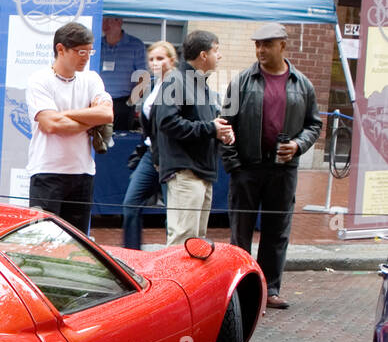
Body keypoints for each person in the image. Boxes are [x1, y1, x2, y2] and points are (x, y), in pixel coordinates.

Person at [221, 22, 321, 311]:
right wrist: (235, 167)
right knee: (241, 231)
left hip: (283, 170)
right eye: (257, 44)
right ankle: (240, 289)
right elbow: (225, 126)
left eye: (266, 44)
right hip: (247, 169)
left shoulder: (302, 84)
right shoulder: (242, 81)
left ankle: (270, 289)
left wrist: (299, 145)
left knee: (277, 231)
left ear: (282, 46)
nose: (260, 50)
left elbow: (314, 124)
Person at [25, 22, 113, 235]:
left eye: (89, 51)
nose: (86, 56)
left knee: (77, 243)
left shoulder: (91, 78)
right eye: (80, 51)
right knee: (42, 241)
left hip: (82, 172)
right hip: (47, 172)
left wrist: (64, 114)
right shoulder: (40, 80)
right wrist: (88, 119)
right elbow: (51, 124)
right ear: (60, 49)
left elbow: (106, 114)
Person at [152, 30, 235, 247]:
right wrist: (210, 128)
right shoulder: (177, 81)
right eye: (216, 51)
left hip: (200, 173)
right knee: (182, 242)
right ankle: (170, 281)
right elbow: (167, 122)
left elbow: (203, 122)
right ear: (203, 55)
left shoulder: (199, 83)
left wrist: (221, 131)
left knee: (195, 244)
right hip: (186, 173)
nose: (220, 56)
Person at [121, 40, 176, 250]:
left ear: (171, 60)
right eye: (151, 59)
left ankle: (173, 255)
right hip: (149, 152)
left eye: (160, 58)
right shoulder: (153, 84)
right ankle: (132, 253)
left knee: (173, 212)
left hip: (168, 156)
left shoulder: (176, 84)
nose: (155, 63)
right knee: (130, 203)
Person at [99, 16, 147, 131]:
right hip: (99, 101)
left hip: (123, 102)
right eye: (103, 20)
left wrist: (130, 102)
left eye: (109, 20)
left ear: (120, 22)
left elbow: (143, 77)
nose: (105, 25)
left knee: (120, 141)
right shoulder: (96, 44)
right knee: (98, 141)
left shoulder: (135, 45)